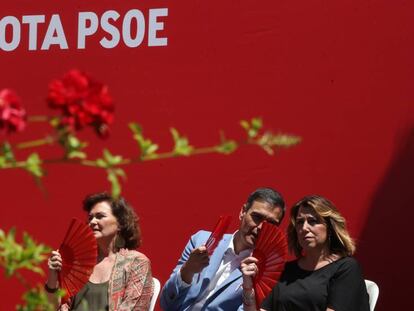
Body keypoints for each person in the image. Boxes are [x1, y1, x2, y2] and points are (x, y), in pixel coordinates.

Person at [160, 187, 286, 311]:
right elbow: (166, 302)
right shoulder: (201, 240)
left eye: (270, 224)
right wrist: (187, 270)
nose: (260, 227)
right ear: (243, 212)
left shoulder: (267, 272)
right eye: (257, 217)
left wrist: (249, 290)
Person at [241, 195, 370, 311]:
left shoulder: (346, 268)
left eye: (312, 221)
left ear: (330, 227)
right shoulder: (284, 271)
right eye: (300, 222)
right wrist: (248, 287)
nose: (304, 228)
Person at [45, 192, 154, 311]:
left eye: (100, 216)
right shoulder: (78, 265)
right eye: (90, 217)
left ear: (120, 223)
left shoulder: (136, 263)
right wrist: (53, 277)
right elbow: (51, 308)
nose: (92, 222)